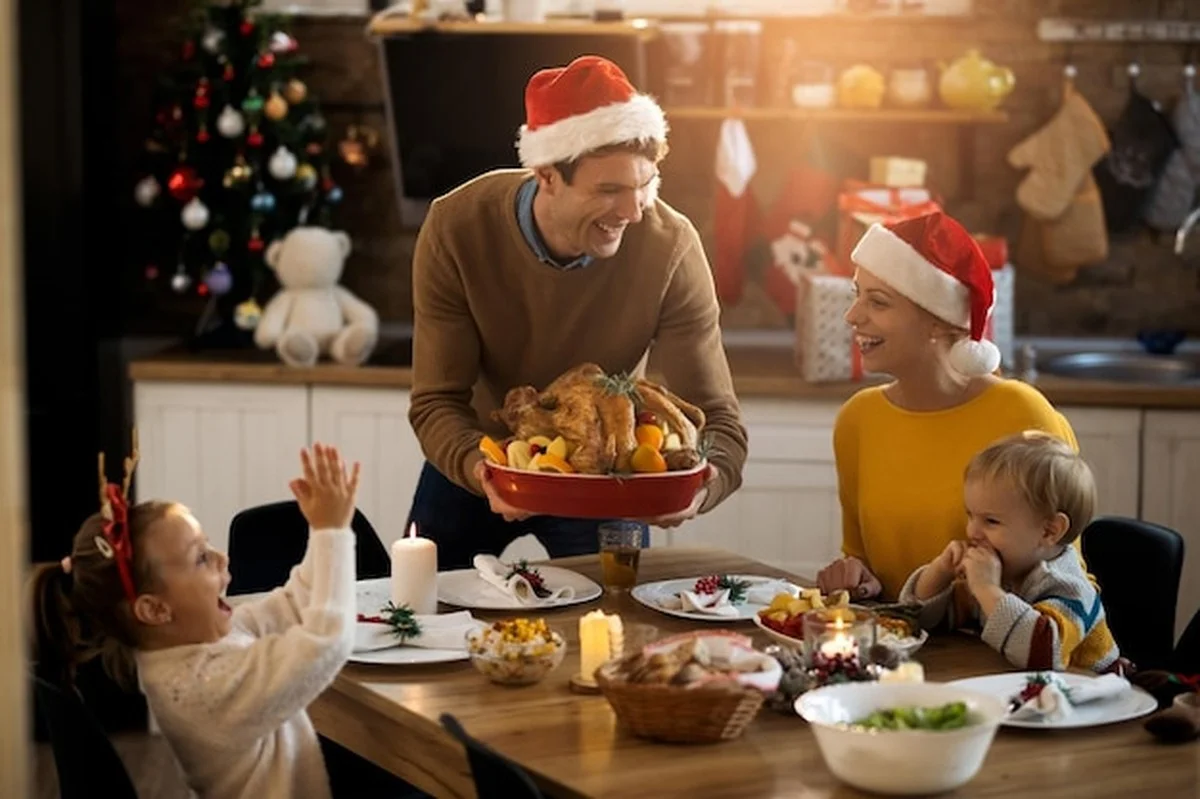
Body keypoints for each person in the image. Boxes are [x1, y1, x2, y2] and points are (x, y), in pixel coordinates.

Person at [406, 54, 748, 570]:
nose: (633, 212)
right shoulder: (456, 227)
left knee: (618, 632)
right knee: (425, 614)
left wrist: (704, 484)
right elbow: (435, 402)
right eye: (609, 190)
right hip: (483, 455)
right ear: (546, 176)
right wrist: (484, 470)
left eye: (645, 186)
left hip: (609, 474)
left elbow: (717, 419)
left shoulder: (670, 246)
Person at [28, 441, 369, 799]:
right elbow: (326, 643)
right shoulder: (203, 687)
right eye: (201, 558)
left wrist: (321, 530)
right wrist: (334, 534)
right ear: (155, 610)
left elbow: (294, 604)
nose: (221, 558)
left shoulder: (194, 644)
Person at [816, 210, 1081, 602]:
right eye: (858, 296)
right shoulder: (857, 420)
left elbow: (1070, 582)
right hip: (902, 652)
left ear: (939, 321)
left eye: (879, 303)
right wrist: (855, 577)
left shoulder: (1022, 415)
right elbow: (863, 563)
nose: (852, 316)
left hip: (1003, 656)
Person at [898, 431, 1119, 673]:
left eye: (991, 521)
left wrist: (987, 589)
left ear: (1049, 531)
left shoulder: (1071, 590)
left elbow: (1042, 654)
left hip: (1097, 698)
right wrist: (940, 571)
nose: (972, 531)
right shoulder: (999, 572)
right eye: (970, 515)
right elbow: (919, 621)